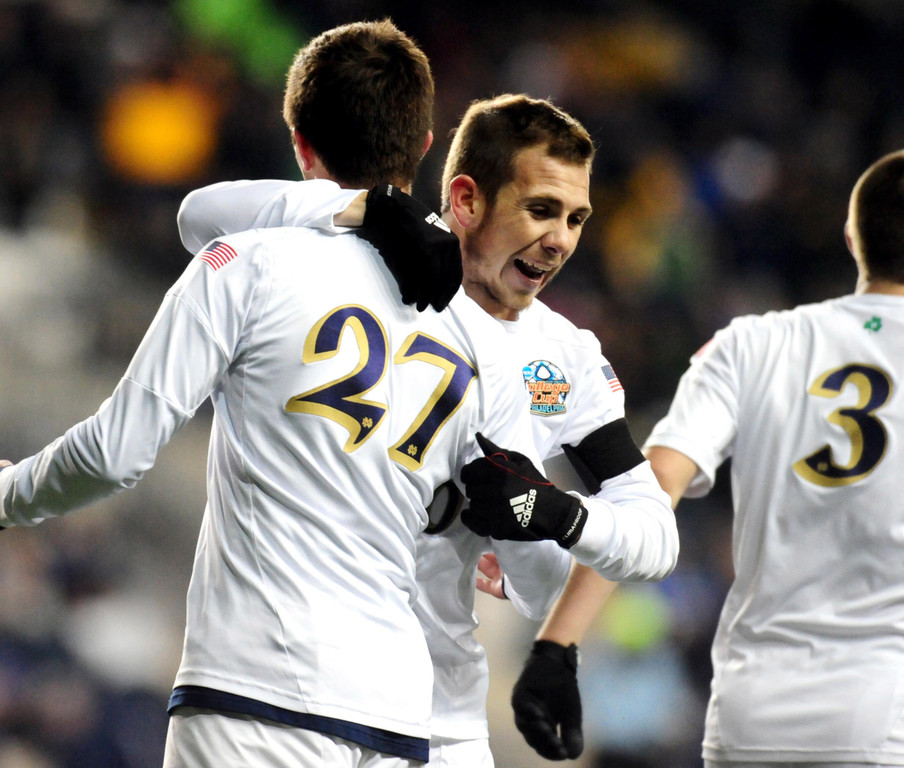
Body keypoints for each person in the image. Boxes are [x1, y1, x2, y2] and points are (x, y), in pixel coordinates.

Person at [0, 21, 559, 768]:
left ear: (299, 142)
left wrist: (4, 495)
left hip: (255, 697)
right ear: (428, 145)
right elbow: (522, 549)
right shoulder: (475, 330)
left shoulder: (247, 264)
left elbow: (117, 453)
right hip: (402, 717)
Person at [174, 93, 679, 765]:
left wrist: (556, 513)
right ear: (467, 199)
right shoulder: (352, 263)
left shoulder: (565, 357)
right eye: (540, 209)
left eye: (575, 218)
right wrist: (363, 209)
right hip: (291, 683)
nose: (560, 239)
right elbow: (199, 215)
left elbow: (651, 535)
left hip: (439, 723)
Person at [642, 148, 904, 767]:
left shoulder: (754, 341)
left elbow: (652, 483)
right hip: (884, 710)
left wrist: (557, 641)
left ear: (850, 237)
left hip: (751, 712)